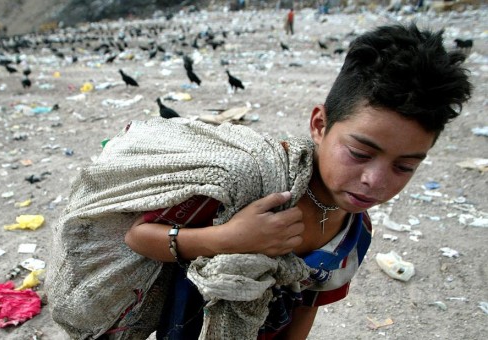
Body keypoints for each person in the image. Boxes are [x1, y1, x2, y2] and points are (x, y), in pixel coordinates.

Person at [47, 24, 472, 339]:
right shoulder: (249, 185)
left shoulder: (353, 235)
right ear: (320, 124)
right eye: (360, 153)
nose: (374, 182)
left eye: (405, 166)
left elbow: (308, 307)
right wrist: (227, 238)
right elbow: (138, 238)